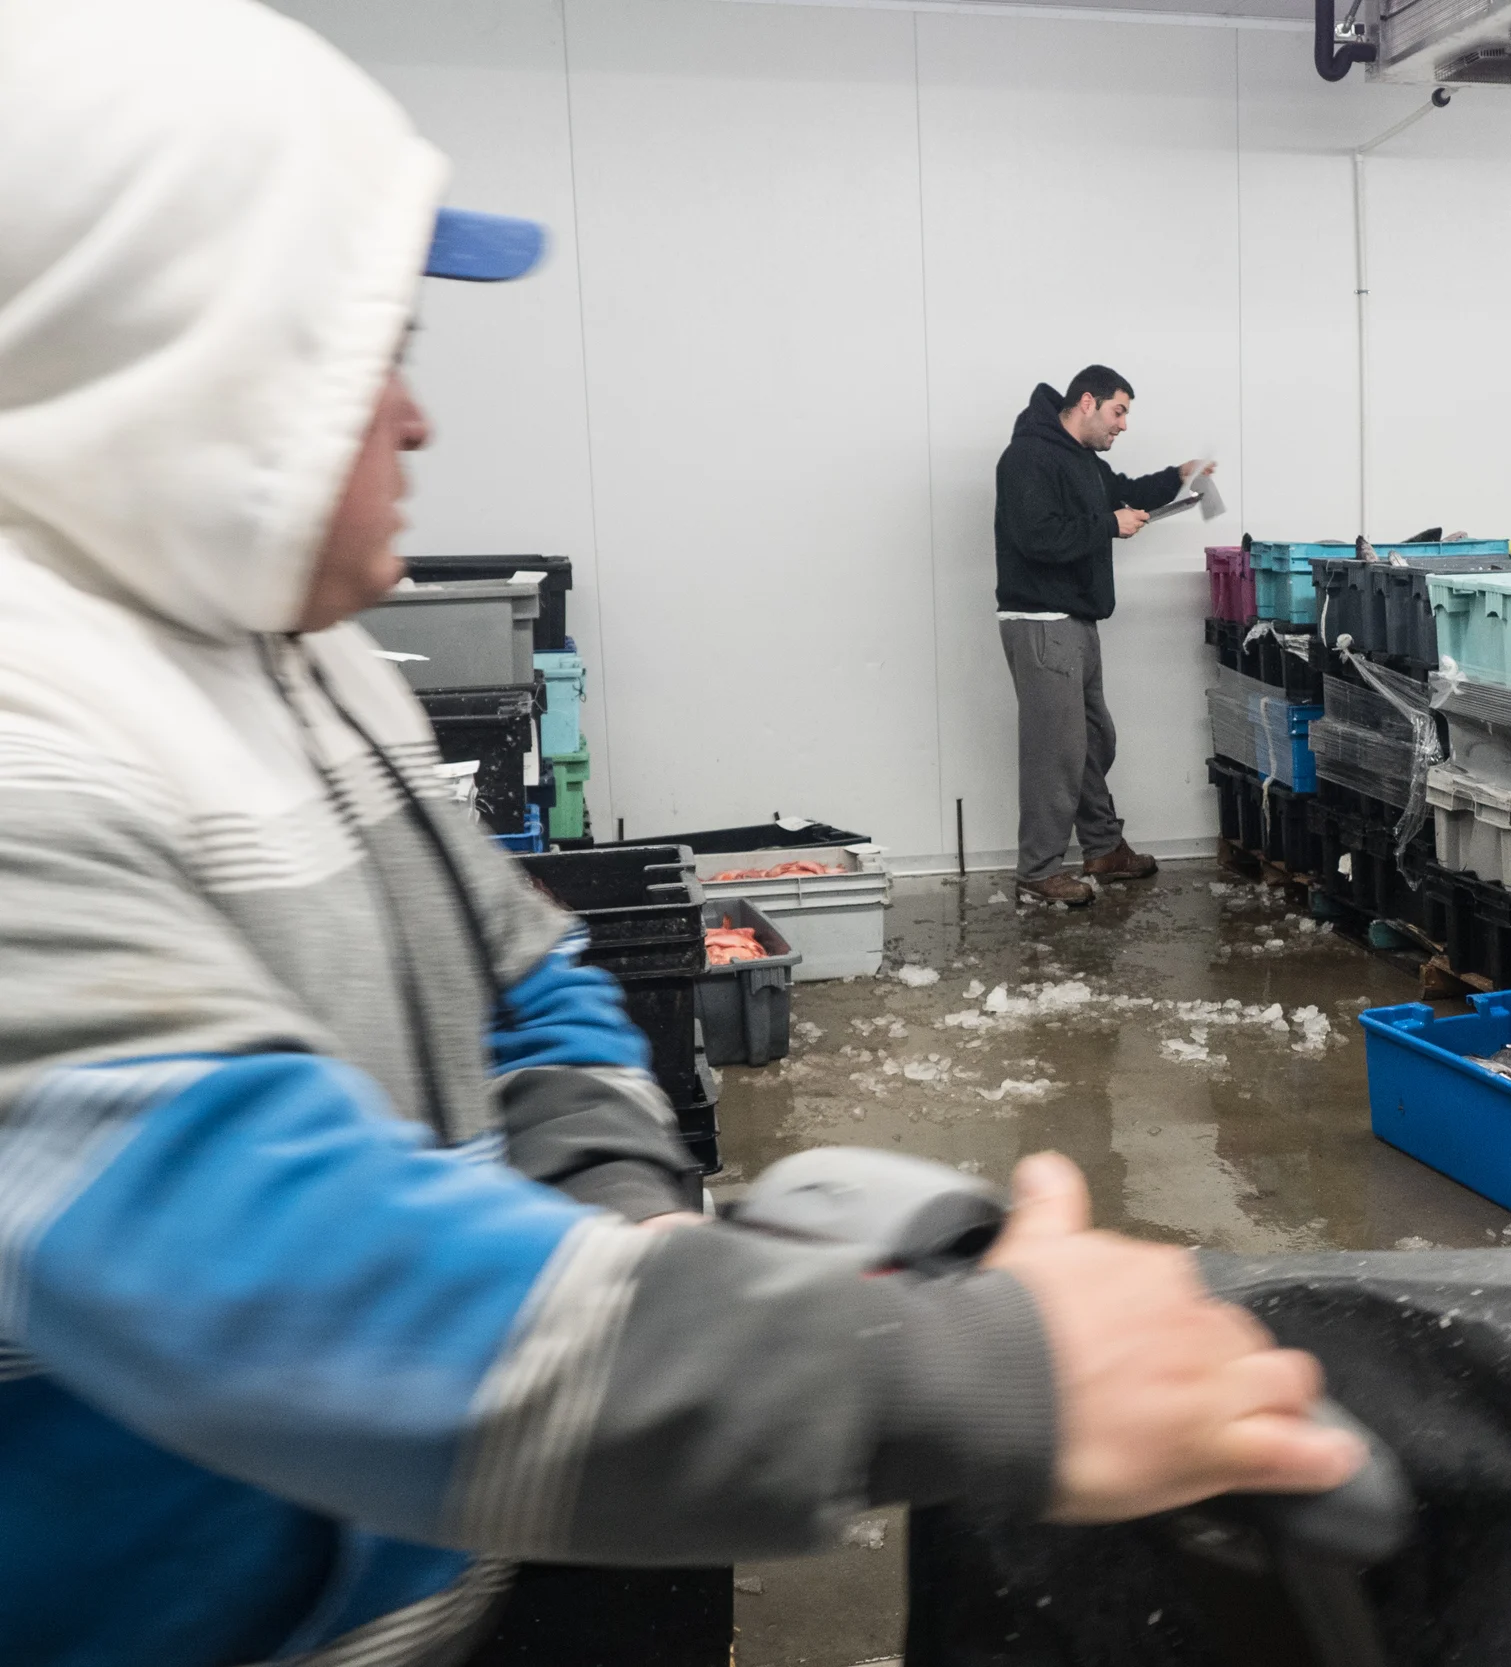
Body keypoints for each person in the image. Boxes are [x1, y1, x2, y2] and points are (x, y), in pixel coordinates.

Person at [0, 4, 1360, 1662]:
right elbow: (277, 1283)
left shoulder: (289, 658)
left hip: (430, 1570)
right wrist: (994, 1370)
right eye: (369, 359)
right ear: (181, 353)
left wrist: (622, 1214)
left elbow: (531, 971)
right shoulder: (33, 757)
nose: (419, 424)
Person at [994, 368, 1210, 907]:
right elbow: (1036, 536)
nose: (1124, 425)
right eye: (1119, 412)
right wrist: (1108, 526)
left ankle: (1103, 848)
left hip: (1076, 622)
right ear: (1086, 402)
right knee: (1056, 753)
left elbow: (1124, 493)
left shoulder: (1080, 460)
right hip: (1043, 623)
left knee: (1091, 740)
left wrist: (1179, 476)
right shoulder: (1028, 457)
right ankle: (1037, 874)